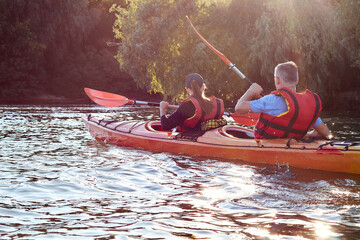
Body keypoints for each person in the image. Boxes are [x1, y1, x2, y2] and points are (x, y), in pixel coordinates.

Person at [235, 61, 330, 139]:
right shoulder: (307, 106)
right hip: (294, 145)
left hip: (270, 148)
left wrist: (251, 91)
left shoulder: (270, 100)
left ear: (277, 80)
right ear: (297, 80)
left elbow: (239, 108)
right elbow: (325, 132)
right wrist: (307, 135)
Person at [160, 73, 224, 132]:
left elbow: (165, 125)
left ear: (187, 90)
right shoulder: (217, 104)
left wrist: (162, 109)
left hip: (191, 138)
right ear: (203, 87)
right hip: (212, 138)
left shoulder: (187, 106)